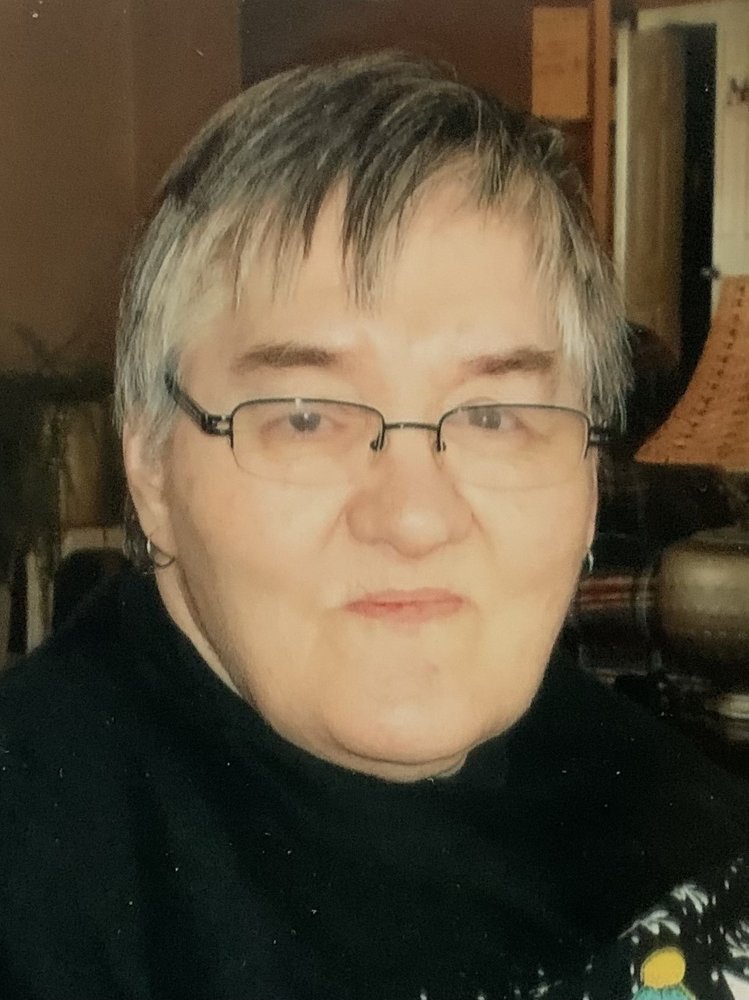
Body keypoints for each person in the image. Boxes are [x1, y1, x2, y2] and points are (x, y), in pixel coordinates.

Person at [0, 52, 747, 1000]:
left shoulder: (698, 848)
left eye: (492, 417)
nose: (415, 516)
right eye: (305, 416)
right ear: (151, 467)